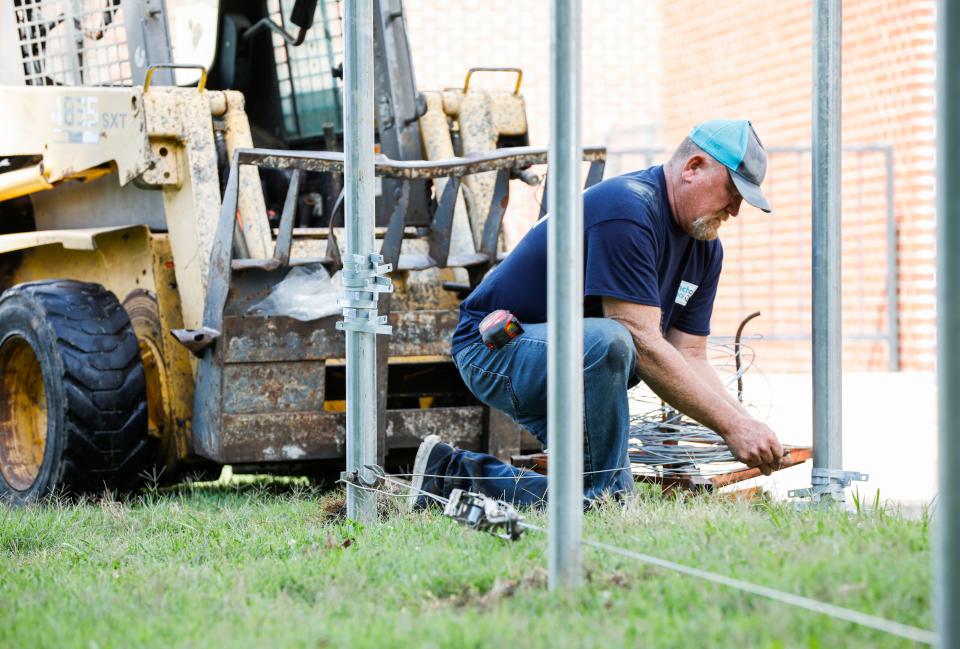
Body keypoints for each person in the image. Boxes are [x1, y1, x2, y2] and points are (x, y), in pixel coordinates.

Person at [409, 119, 784, 510]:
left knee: (599, 501)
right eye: (733, 191)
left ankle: (450, 474)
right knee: (611, 339)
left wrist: (748, 425)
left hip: (579, 368)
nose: (737, 210)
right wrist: (732, 427)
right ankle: (603, 498)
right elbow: (640, 340)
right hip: (497, 349)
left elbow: (690, 355)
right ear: (693, 168)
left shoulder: (705, 249)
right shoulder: (629, 208)